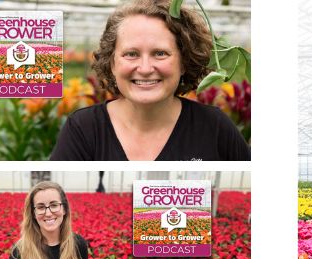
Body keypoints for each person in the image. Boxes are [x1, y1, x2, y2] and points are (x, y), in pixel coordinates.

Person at [50, 0, 250, 161]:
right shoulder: (83, 128)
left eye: (160, 53)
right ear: (112, 63)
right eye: (131, 54)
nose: (145, 68)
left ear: (183, 62)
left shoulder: (214, 127)